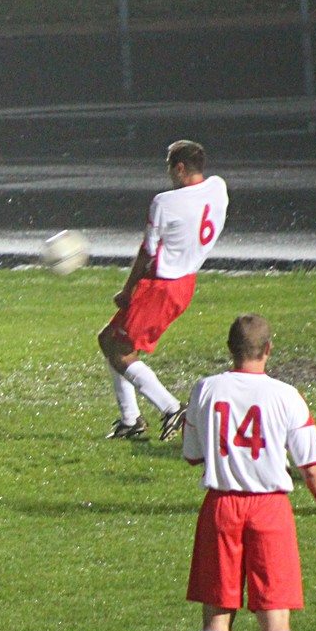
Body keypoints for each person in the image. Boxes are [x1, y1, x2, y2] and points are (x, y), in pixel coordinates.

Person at [183, 314, 316, 631]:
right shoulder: (286, 395)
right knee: (275, 614)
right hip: (270, 510)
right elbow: (311, 466)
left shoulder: (205, 389)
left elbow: (193, 454)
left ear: (229, 348)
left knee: (217, 614)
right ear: (269, 349)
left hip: (220, 506)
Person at [98, 139, 228, 441]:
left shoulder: (165, 203)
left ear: (179, 168)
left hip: (161, 286)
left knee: (121, 353)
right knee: (108, 339)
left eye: (170, 167)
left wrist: (127, 290)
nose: (168, 173)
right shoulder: (218, 187)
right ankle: (130, 420)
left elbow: (147, 251)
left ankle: (172, 408)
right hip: (185, 282)